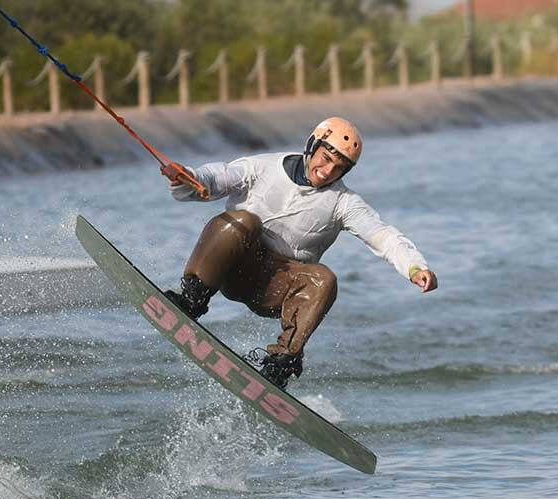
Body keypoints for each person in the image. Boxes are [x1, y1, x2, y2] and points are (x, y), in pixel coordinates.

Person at [159, 116, 438, 389]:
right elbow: (217, 176)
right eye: (326, 159)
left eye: (339, 168)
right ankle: (192, 299)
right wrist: (190, 178)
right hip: (230, 271)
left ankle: (281, 362)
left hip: (274, 291)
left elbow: (384, 236)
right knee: (243, 221)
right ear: (311, 146)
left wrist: (414, 266)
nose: (328, 171)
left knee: (323, 278)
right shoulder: (263, 167)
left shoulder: (345, 203)